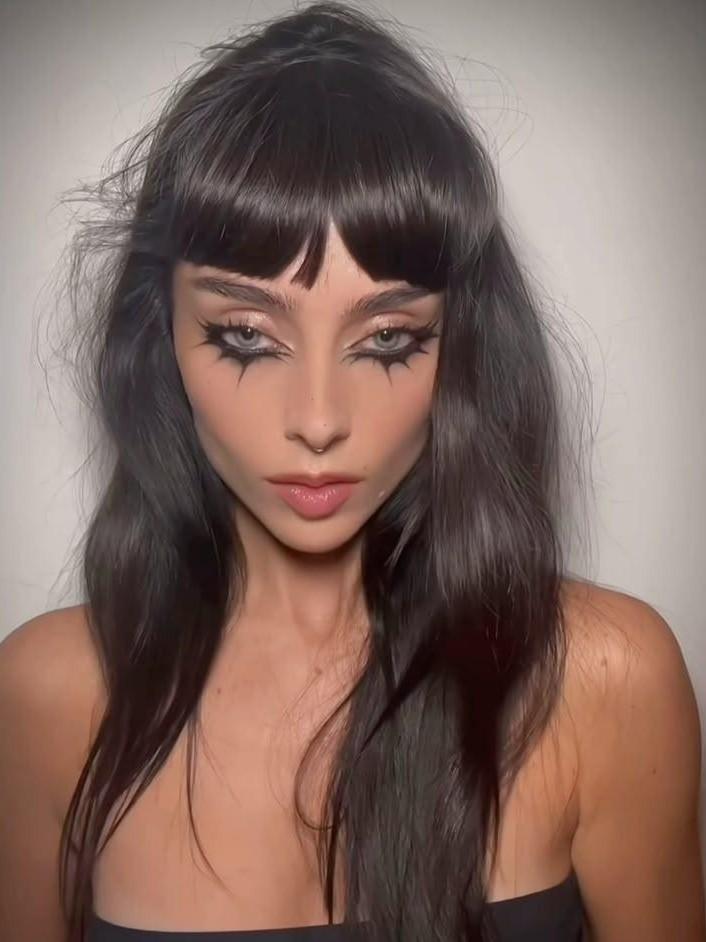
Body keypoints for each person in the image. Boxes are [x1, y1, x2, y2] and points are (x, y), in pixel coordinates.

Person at [0, 2, 703, 941]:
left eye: (387, 341)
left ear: (459, 347)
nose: (320, 420)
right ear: (159, 339)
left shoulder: (604, 680)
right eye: (246, 337)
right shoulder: (48, 698)